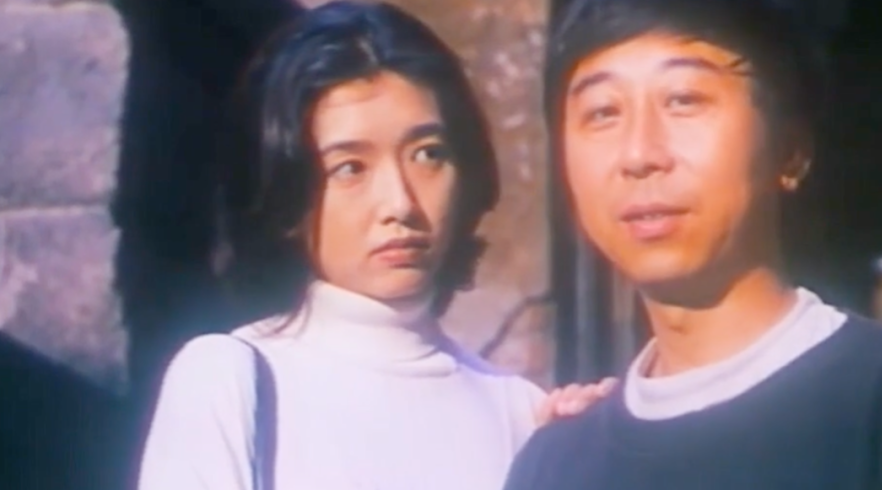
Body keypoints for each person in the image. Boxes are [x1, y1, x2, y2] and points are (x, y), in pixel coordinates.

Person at [503, 0, 882, 489]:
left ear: (790, 150)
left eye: (684, 100)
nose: (638, 154)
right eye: (601, 112)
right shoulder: (555, 461)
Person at [137, 2, 612, 489]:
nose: (399, 203)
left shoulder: (517, 410)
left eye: (427, 155)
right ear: (288, 193)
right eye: (350, 168)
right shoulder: (233, 378)